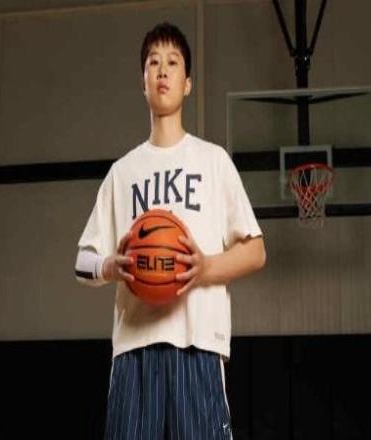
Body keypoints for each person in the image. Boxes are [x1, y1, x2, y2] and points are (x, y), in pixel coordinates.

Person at [75, 21, 266, 439]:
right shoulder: (122, 172)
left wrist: (205, 267)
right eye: (153, 62)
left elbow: (255, 251)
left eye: (173, 62)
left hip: (198, 346)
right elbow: (82, 261)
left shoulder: (213, 161)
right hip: (134, 352)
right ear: (143, 82)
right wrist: (110, 266)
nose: (162, 70)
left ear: (188, 83)